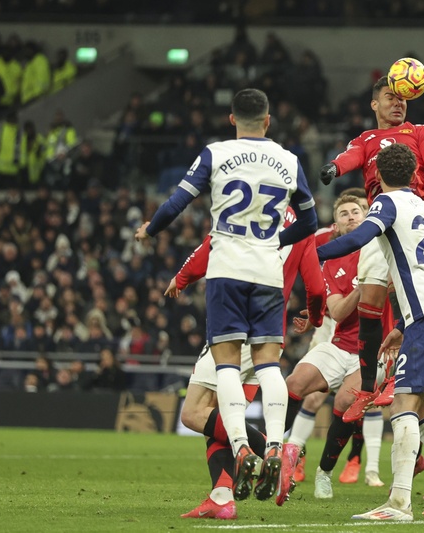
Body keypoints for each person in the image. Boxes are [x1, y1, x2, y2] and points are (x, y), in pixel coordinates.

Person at [135, 88, 317, 506]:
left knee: (227, 366)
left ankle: (240, 446)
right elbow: (309, 220)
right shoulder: (289, 161)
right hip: (269, 274)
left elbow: (177, 202)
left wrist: (152, 229)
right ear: (268, 120)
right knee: (270, 364)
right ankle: (274, 444)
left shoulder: (216, 153)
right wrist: (276, 239)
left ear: (232, 119)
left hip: (227, 271)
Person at [317, 143, 424, 522]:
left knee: (402, 407)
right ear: (415, 176)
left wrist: (313, 256)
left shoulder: (387, 203)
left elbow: (356, 239)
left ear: (375, 176)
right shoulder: (423, 207)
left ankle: (398, 503)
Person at [169, 204, 325, 518]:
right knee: (222, 416)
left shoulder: (247, 203)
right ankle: (222, 497)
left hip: (234, 323)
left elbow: (210, 247)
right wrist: (316, 317)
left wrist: (183, 276)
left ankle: (270, 452)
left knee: (194, 412)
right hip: (271, 335)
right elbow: (317, 286)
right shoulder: (303, 224)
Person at [319, 75, 424, 422]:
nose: (398, 104)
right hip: (379, 222)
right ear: (374, 104)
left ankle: (399, 376)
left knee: (409, 299)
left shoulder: (420, 132)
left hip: (411, 218)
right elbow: (350, 156)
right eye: (390, 98)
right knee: (370, 303)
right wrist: (334, 168)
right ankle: (367, 387)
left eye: (403, 99)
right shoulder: (366, 139)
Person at [282, 194, 386, 499]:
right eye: (344, 214)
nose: (351, 217)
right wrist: (363, 285)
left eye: (357, 212)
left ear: (368, 217)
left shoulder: (384, 248)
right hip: (339, 343)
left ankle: (325, 472)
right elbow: (338, 311)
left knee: (343, 402)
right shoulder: (330, 257)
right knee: (293, 384)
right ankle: (274, 451)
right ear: (336, 225)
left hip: (376, 350)